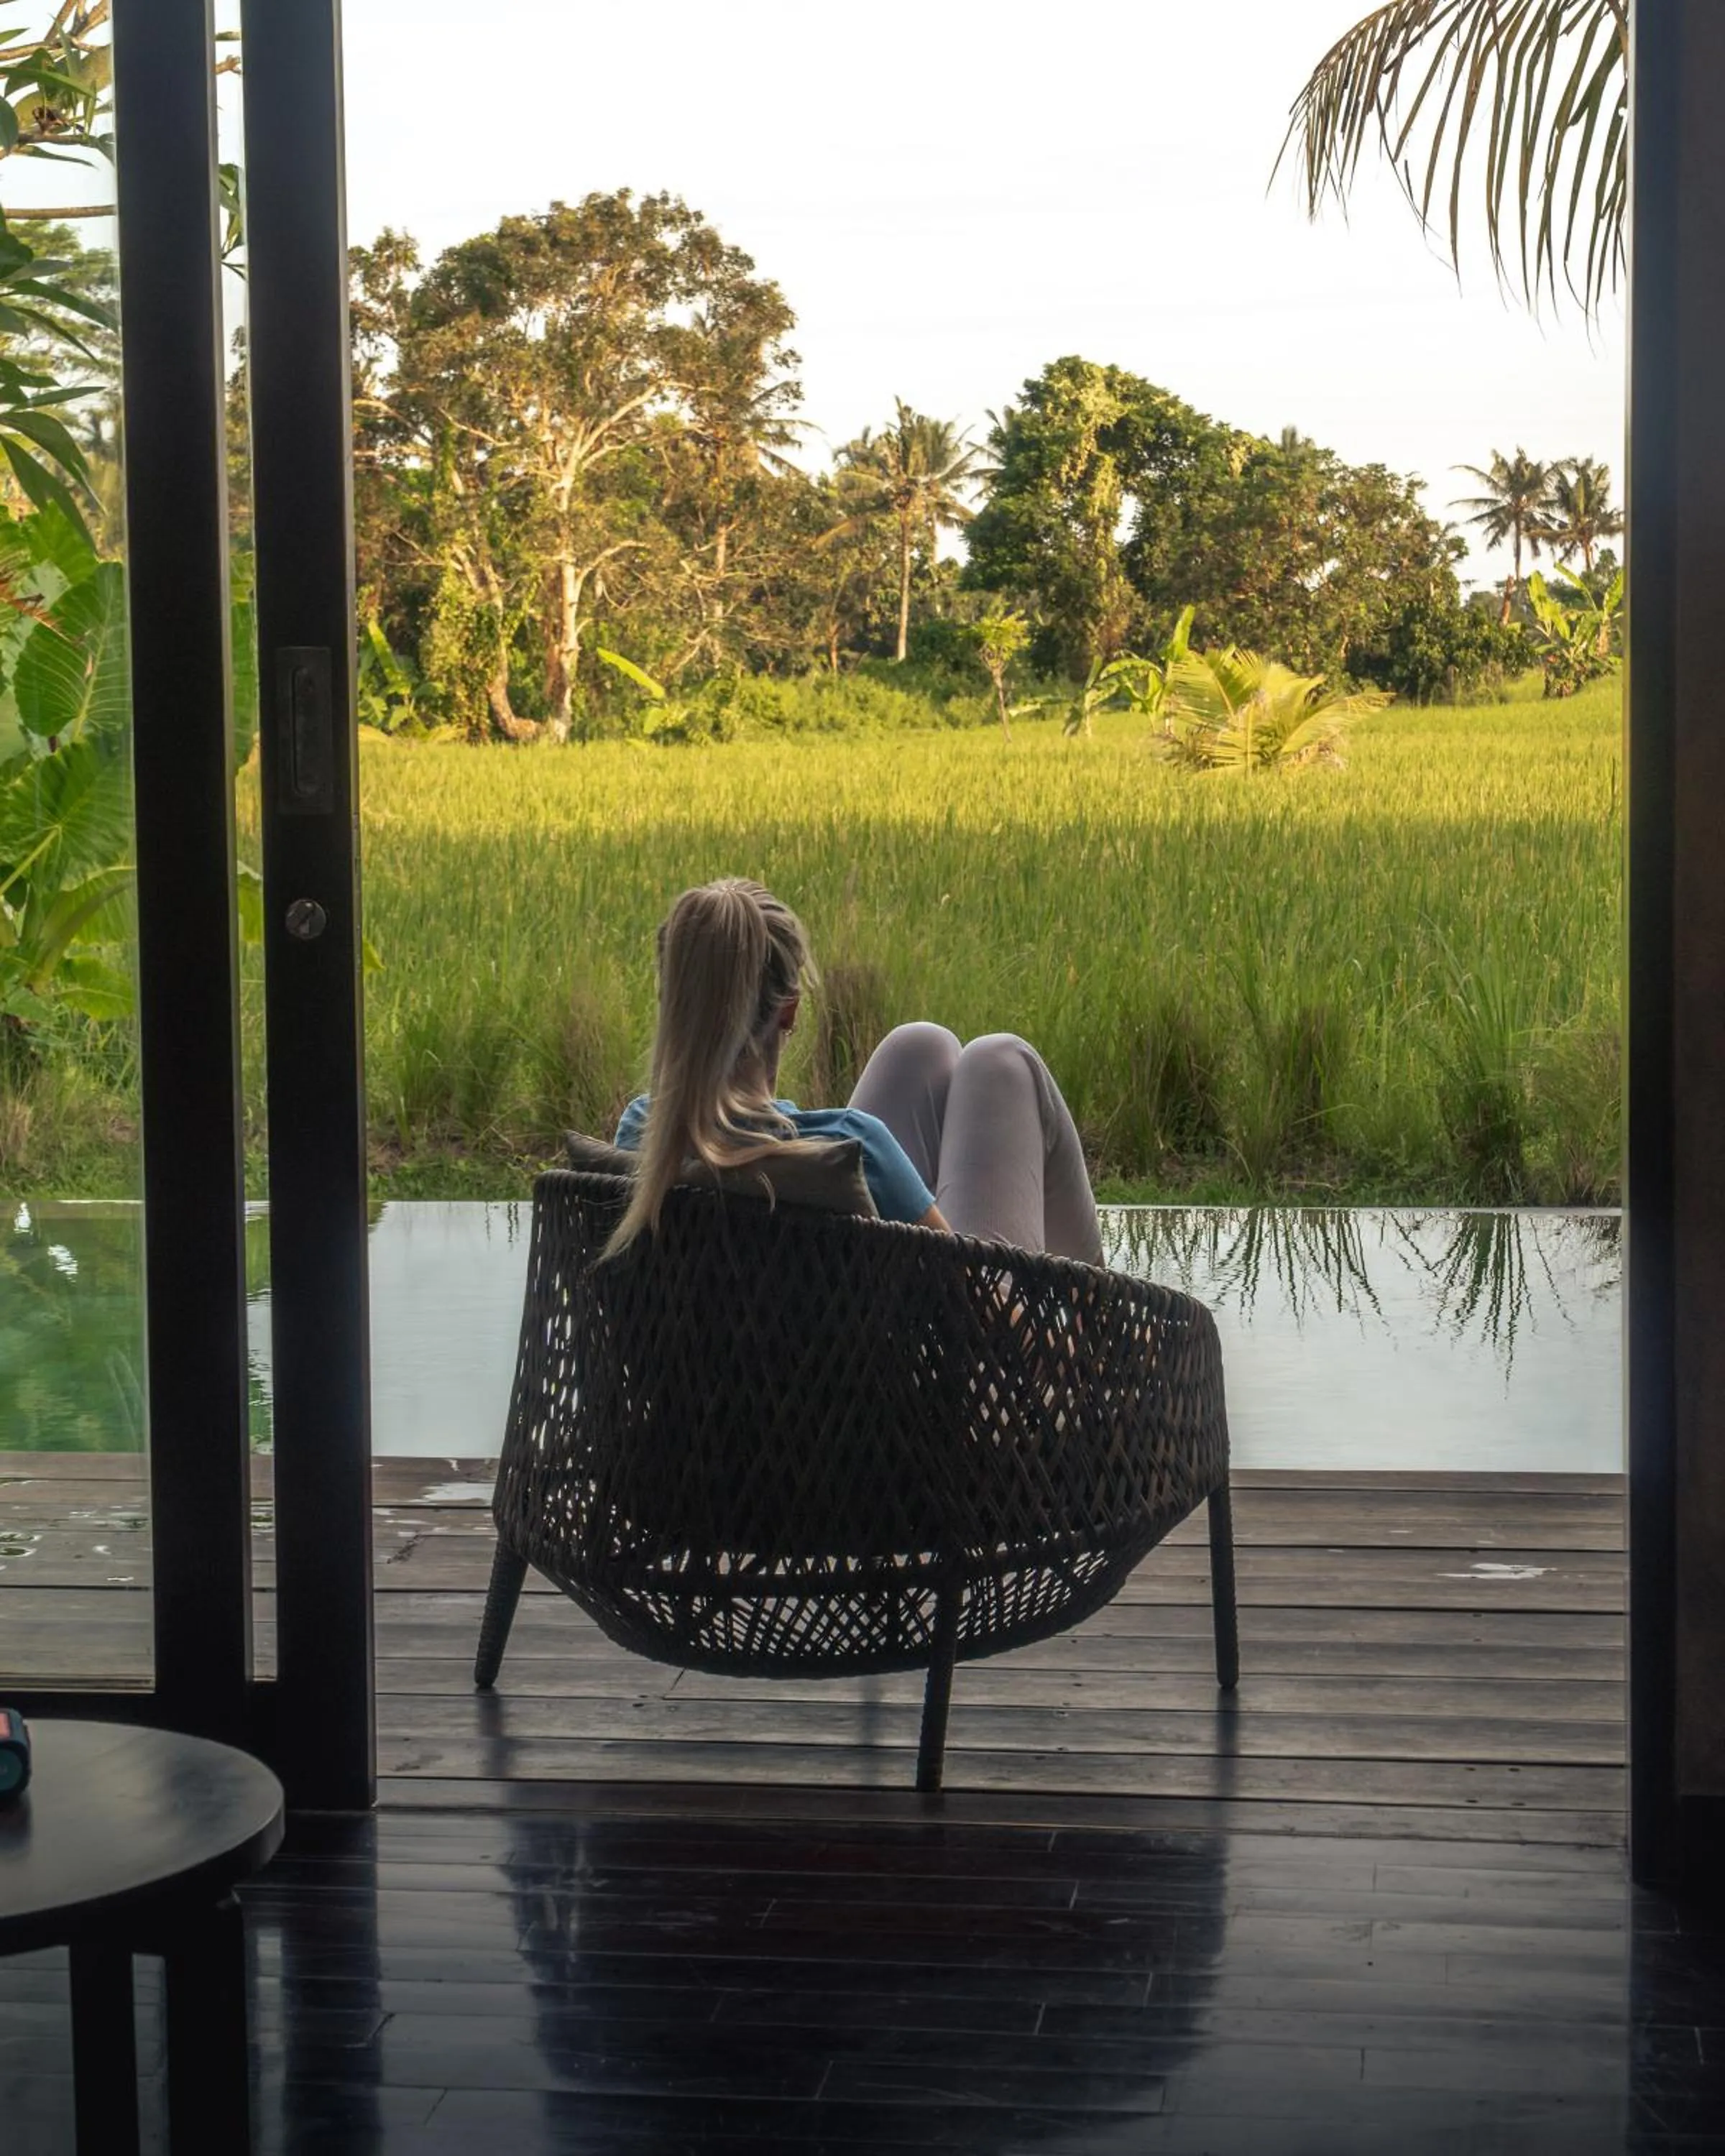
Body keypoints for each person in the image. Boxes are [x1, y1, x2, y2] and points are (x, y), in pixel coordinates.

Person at [607, 877, 1103, 1267]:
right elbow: (984, 1316)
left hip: (720, 1388)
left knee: (919, 1046)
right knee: (1001, 1061)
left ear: (669, 1003)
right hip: (936, 1388)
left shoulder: (640, 1136)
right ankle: (1107, 1331)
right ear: (789, 1012)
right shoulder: (850, 1151)